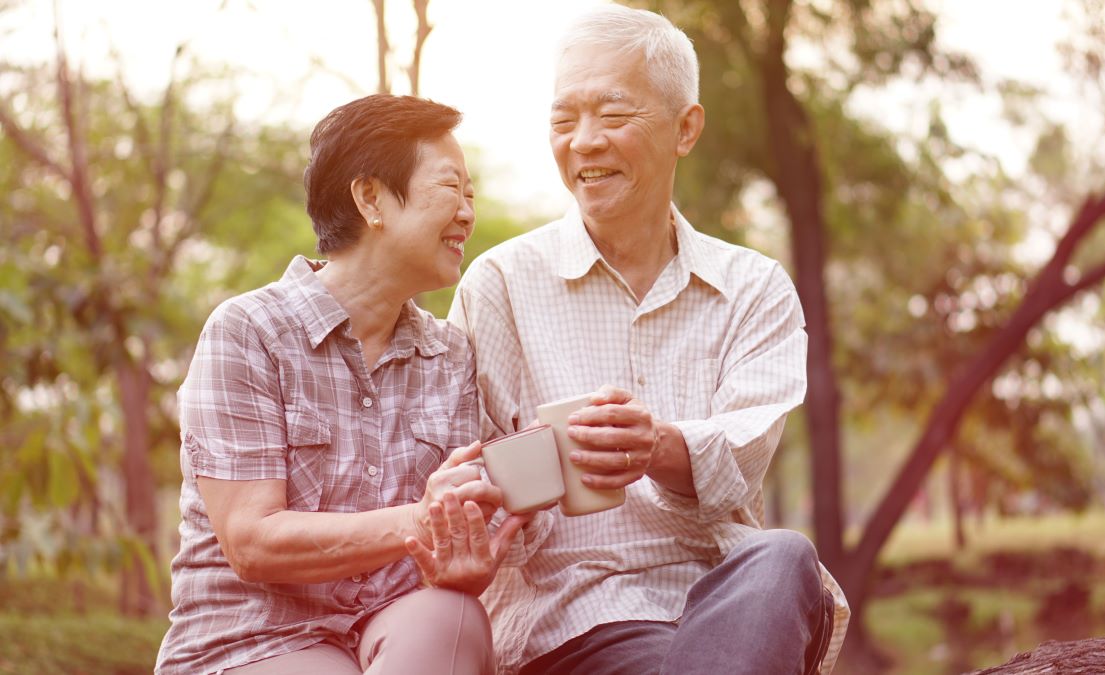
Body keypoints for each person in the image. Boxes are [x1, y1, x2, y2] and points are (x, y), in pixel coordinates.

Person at [448, 6, 849, 675]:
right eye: (563, 119)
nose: (584, 141)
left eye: (612, 114)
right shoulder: (500, 284)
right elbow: (467, 474)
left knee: (783, 554)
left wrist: (654, 446)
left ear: (685, 127)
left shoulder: (752, 287)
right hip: (574, 613)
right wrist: (507, 483)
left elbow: (741, 462)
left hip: (733, 596)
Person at [156, 94, 528, 675]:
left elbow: (438, 565)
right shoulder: (248, 332)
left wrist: (460, 559)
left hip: (386, 633)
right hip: (250, 643)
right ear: (370, 197)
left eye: (471, 195)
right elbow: (251, 542)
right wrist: (418, 520)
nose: (467, 213)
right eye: (451, 188)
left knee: (452, 617)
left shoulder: (450, 355)